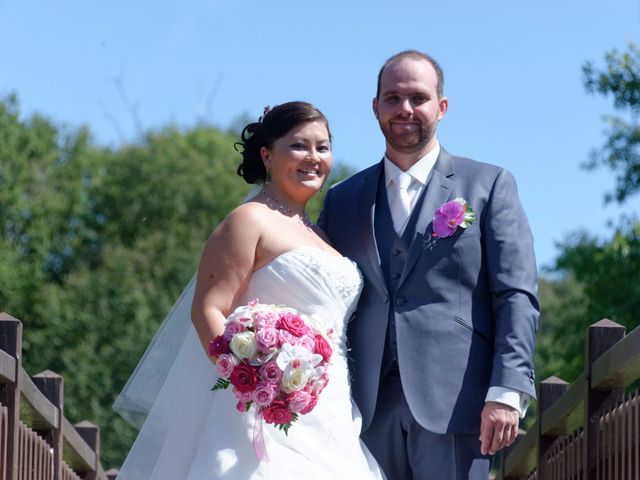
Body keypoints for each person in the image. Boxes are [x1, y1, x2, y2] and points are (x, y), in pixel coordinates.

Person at [114, 101, 385, 479]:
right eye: (298, 146)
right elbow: (208, 308)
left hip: (331, 404)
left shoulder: (321, 234)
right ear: (266, 155)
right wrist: (254, 375)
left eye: (322, 147)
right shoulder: (249, 220)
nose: (313, 157)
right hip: (261, 406)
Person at [318, 50, 539, 480]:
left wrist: (507, 390)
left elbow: (516, 295)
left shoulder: (489, 185)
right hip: (361, 410)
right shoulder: (342, 199)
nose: (405, 109)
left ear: (441, 107)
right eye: (392, 98)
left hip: (458, 406)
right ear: (375, 108)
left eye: (418, 97)